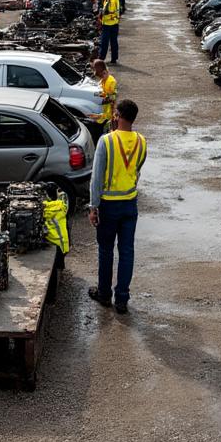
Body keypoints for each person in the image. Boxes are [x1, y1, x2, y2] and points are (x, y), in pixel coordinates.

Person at [88, 99, 147, 314]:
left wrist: (93, 207)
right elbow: (137, 170)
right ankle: (122, 299)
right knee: (127, 252)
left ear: (117, 115)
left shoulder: (106, 141)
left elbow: (96, 178)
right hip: (130, 204)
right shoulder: (142, 141)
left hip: (109, 205)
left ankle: (104, 294)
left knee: (106, 251)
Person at [88, 58, 117, 132]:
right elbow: (104, 94)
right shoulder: (104, 80)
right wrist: (95, 94)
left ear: (104, 72)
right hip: (105, 113)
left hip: (110, 114)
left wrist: (99, 116)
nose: (100, 79)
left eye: (101, 77)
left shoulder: (111, 82)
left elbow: (112, 99)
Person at [96, 0, 122, 64]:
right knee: (114, 42)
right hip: (115, 23)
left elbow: (105, 11)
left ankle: (101, 59)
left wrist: (101, 14)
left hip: (107, 24)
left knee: (104, 42)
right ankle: (114, 59)